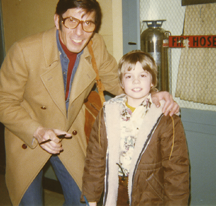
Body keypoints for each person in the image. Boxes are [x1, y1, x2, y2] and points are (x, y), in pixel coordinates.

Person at [0, 0, 179, 206]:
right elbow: (1, 100)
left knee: (84, 199)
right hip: (30, 134)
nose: (79, 32)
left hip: (68, 134)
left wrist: (154, 95)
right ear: (57, 20)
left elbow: (116, 81)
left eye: (88, 23)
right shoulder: (25, 51)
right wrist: (38, 131)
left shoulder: (95, 44)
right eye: (71, 21)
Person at [81, 50, 189, 206]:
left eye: (143, 75)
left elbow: (177, 168)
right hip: (116, 192)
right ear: (122, 83)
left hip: (150, 194)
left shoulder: (166, 117)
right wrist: (91, 198)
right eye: (129, 76)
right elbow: (95, 157)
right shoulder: (108, 112)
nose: (136, 81)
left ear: (152, 82)